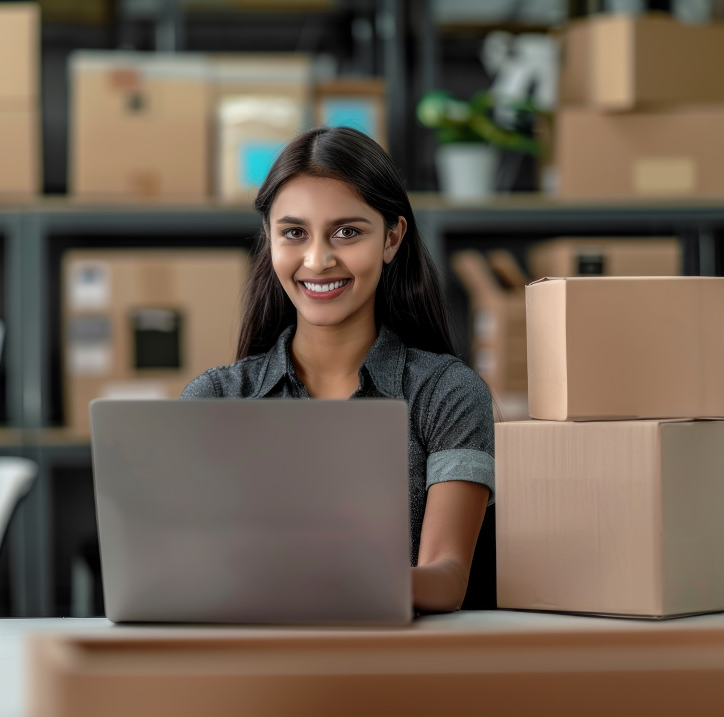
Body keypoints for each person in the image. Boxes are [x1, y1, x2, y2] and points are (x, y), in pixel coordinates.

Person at [182, 126, 494, 613]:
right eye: (294, 233)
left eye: (347, 232)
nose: (318, 260)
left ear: (392, 238)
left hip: (396, 667)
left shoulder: (446, 393)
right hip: (255, 664)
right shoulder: (216, 400)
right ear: (269, 238)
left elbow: (447, 578)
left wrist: (328, 578)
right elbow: (189, 569)